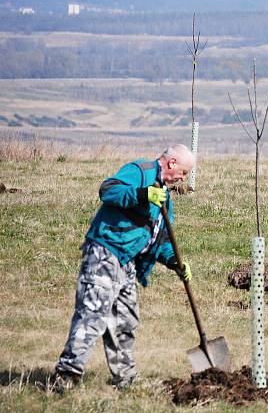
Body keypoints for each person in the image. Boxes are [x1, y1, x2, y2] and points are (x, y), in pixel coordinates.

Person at [53, 144, 195, 390]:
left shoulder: (165, 198)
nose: (183, 179)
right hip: (104, 252)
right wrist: (142, 194)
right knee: (92, 315)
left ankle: (125, 380)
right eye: (183, 173)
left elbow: (160, 240)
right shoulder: (141, 170)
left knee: (124, 322)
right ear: (171, 162)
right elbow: (108, 190)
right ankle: (67, 376)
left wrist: (175, 262)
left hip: (127, 262)